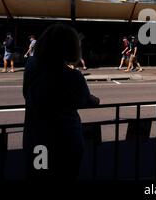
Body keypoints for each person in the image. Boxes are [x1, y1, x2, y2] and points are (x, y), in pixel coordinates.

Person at [23, 23, 100, 179]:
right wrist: (95, 99)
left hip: (37, 138)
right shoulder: (73, 76)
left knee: (39, 175)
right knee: (66, 175)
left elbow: (26, 93)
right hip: (66, 140)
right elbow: (88, 101)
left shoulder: (31, 68)